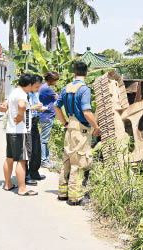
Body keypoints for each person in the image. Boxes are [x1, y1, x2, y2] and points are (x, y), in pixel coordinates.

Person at [53, 62, 100, 206]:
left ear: (74, 74)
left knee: (67, 159)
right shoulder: (84, 89)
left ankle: (63, 193)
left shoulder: (66, 88)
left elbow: (56, 106)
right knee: (79, 162)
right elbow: (86, 112)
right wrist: (96, 127)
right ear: (86, 74)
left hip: (70, 127)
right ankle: (75, 197)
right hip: (81, 129)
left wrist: (65, 123)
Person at [2, 73, 37, 196]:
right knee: (22, 160)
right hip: (20, 131)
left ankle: (8, 184)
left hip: (10, 130)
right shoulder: (22, 93)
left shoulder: (13, 92)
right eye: (32, 85)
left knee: (9, 158)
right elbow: (22, 104)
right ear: (29, 84)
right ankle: (22, 189)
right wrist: (21, 115)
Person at [26, 74, 47, 182]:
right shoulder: (24, 94)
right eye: (36, 87)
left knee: (36, 148)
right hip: (26, 122)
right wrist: (35, 107)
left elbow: (35, 107)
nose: (38, 89)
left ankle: (34, 172)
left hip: (34, 121)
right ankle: (25, 175)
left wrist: (40, 108)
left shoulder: (35, 93)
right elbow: (23, 109)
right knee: (27, 149)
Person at [39, 71, 59, 168]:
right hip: (47, 116)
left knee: (45, 139)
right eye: (55, 80)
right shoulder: (47, 89)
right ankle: (43, 160)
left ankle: (46, 159)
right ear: (51, 80)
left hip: (45, 115)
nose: (56, 82)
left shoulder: (42, 85)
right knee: (44, 139)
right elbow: (58, 98)